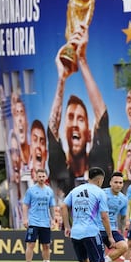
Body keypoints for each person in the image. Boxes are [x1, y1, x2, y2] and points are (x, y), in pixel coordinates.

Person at [48, 23, 113, 194]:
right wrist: (61, 79)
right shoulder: (59, 166)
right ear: (65, 131)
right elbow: (52, 128)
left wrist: (82, 60)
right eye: (70, 118)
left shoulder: (99, 162)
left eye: (81, 119)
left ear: (90, 133)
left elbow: (102, 114)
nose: (75, 124)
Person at [61, 167, 114, 262]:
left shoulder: (75, 190)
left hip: (76, 233)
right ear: (100, 180)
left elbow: (63, 206)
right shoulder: (99, 192)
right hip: (91, 232)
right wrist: (110, 236)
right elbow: (104, 216)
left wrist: (67, 226)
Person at [76, 171, 129, 262]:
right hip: (96, 228)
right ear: (110, 182)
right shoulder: (101, 193)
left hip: (112, 229)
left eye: (120, 182)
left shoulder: (123, 199)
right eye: (116, 182)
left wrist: (123, 231)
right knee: (93, 254)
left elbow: (123, 217)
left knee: (123, 246)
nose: (118, 185)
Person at [22, 168, 57, 262]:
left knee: (46, 245)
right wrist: (25, 218)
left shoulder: (49, 191)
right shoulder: (31, 190)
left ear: (46, 177)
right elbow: (25, 205)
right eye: (39, 176)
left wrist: (53, 219)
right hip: (33, 221)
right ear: (36, 177)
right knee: (31, 244)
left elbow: (51, 206)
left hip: (45, 222)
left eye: (43, 176)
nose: (41, 178)